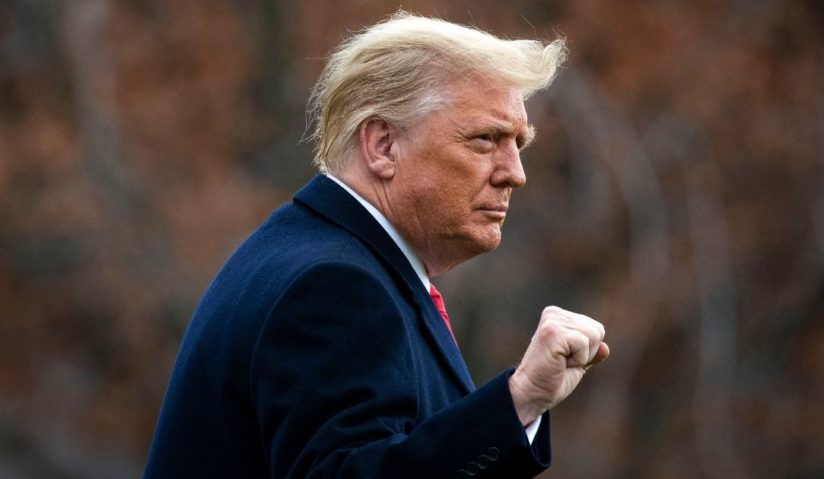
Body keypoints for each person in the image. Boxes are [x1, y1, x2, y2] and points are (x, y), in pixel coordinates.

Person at [144, 11, 609, 478]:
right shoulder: (333, 284)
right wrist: (519, 398)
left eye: (519, 144)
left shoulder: (324, 257)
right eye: (486, 139)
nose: (515, 173)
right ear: (383, 146)